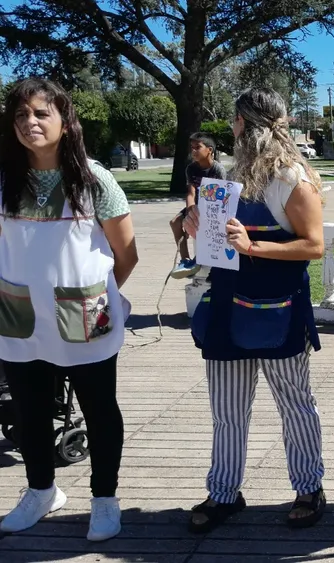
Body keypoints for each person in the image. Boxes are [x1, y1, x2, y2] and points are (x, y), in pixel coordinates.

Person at [182, 87, 327, 534]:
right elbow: (212, 242)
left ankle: (309, 488)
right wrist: (195, 224)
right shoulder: (227, 175)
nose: (231, 128)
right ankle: (224, 493)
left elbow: (315, 245)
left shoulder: (292, 178)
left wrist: (253, 245)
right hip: (226, 306)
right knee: (227, 409)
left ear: (250, 124)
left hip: (279, 310)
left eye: (236, 121)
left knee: (295, 404)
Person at [0, 78, 138, 541]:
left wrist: (97, 299)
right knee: (28, 411)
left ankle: (105, 499)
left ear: (64, 120)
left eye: (41, 113)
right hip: (20, 318)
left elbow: (127, 254)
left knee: (100, 410)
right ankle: (42, 491)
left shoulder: (95, 179)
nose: (30, 123)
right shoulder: (3, 180)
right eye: (21, 115)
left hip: (84, 319)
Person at [169, 132, 226, 279]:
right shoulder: (191, 169)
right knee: (175, 222)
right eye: (191, 147)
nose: (193, 151)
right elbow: (190, 193)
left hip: (214, 208)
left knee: (202, 226)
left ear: (209, 150)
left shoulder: (218, 170)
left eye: (197, 147)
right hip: (197, 206)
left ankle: (207, 260)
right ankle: (185, 260)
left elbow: (222, 198)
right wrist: (189, 211)